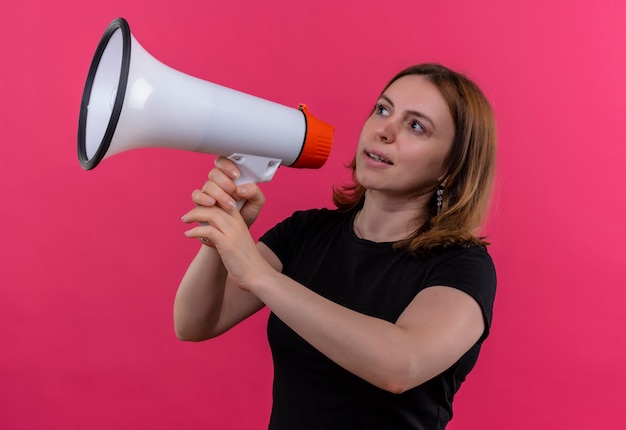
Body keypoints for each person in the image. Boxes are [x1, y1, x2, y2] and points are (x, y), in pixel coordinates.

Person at [175, 63, 497, 430]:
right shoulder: (305, 233)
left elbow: (400, 365)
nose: (384, 130)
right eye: (383, 109)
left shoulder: (463, 266)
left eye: (416, 126)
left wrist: (260, 275)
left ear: (450, 168)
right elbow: (194, 323)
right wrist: (221, 232)